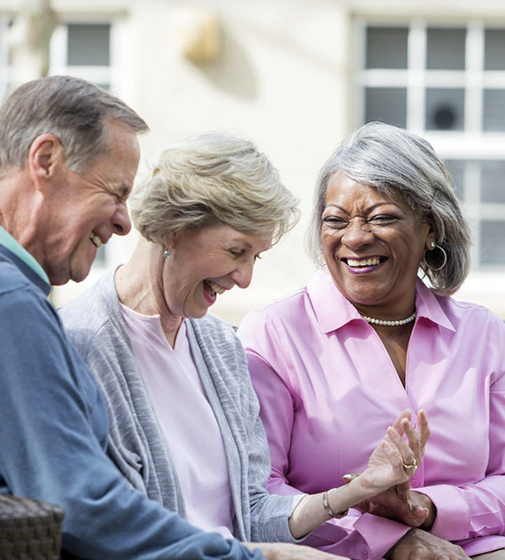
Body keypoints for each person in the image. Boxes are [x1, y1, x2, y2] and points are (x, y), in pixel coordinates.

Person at [60, 132, 430, 560]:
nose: (244, 279)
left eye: (256, 257)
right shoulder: (80, 344)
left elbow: (253, 511)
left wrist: (355, 491)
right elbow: (114, 531)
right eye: (237, 250)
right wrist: (266, 556)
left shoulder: (219, 345)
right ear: (173, 228)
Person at [239, 122, 505, 559]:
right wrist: (389, 539)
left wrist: (427, 511)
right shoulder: (275, 333)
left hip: (471, 548)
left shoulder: (483, 335)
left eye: (381, 217)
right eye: (336, 220)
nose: (354, 238)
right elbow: (261, 496)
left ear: (431, 228)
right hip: (331, 552)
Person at [0, 75, 268, 559]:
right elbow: (81, 505)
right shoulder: (14, 304)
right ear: (46, 162)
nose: (127, 220)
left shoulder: (20, 299)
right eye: (115, 191)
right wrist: (254, 557)